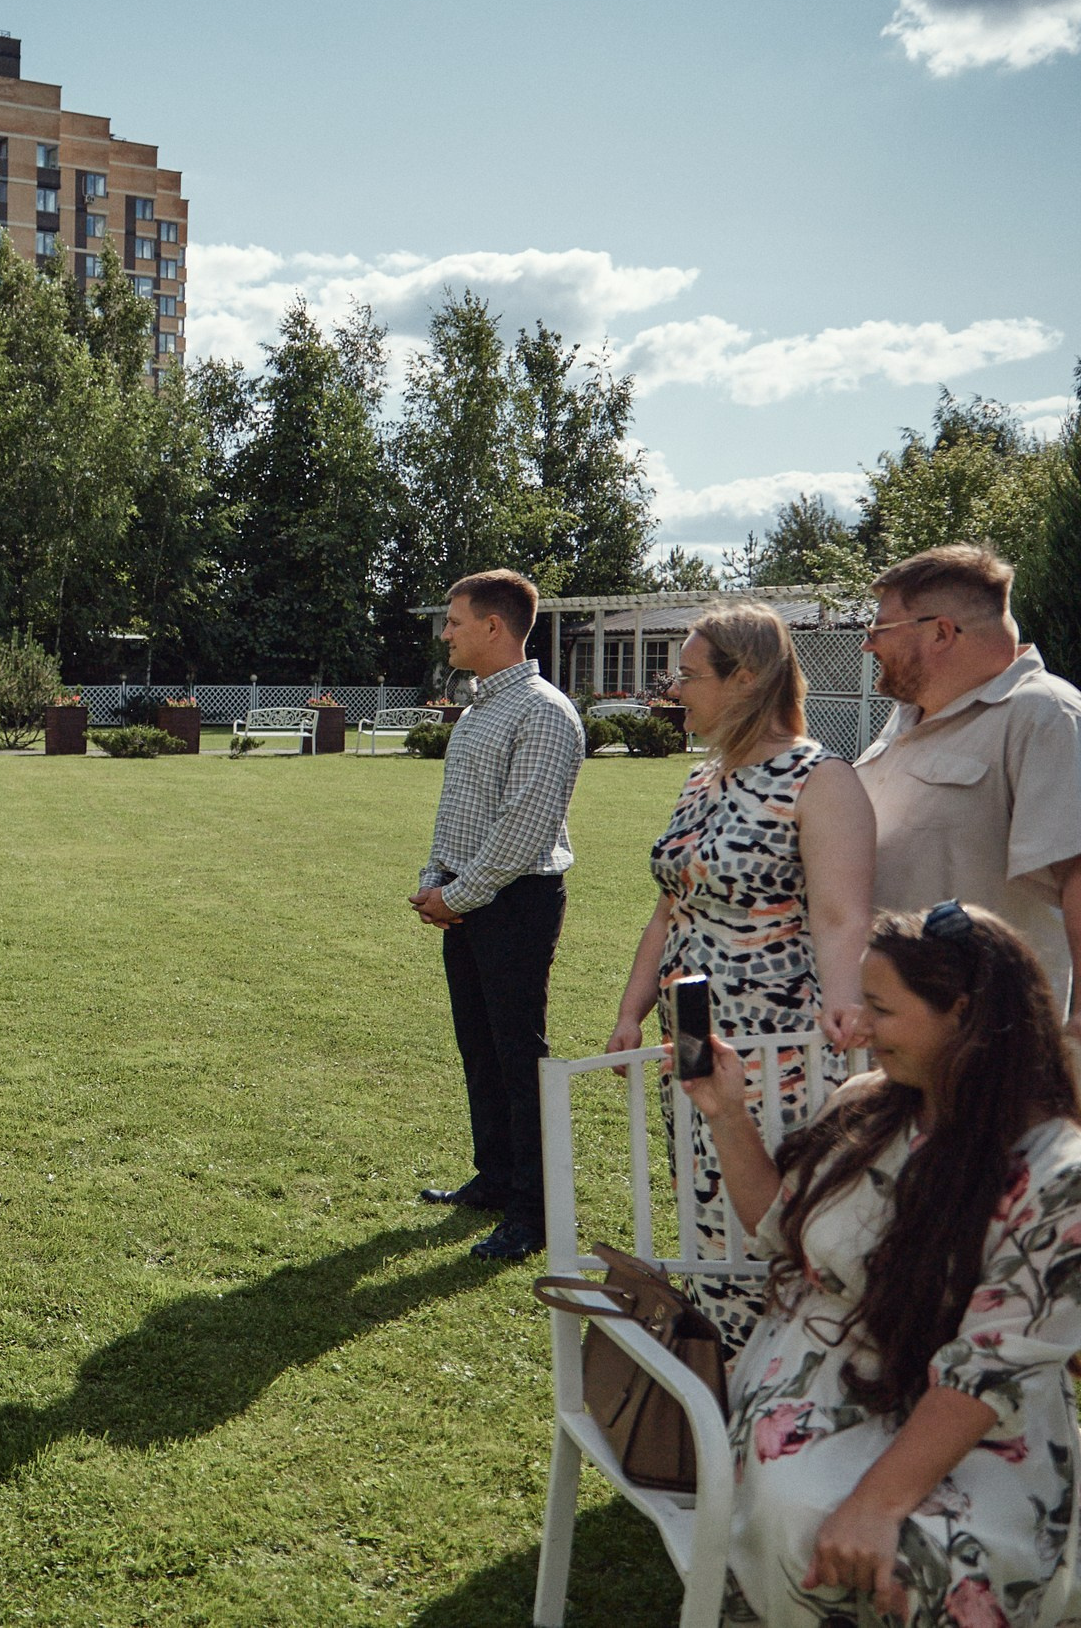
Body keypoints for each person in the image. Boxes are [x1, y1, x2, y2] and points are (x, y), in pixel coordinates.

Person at [677, 903, 1081, 1626]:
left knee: (935, 1564)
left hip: (976, 1422)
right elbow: (783, 1231)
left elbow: (988, 1370)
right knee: (805, 1520)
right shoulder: (871, 1106)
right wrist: (726, 1112)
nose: (858, 1028)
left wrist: (877, 1502)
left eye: (881, 1009)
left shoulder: (1056, 1175)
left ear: (963, 1014)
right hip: (819, 1374)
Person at [608, 601, 875, 1344]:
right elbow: (668, 910)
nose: (674, 690)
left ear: (746, 678)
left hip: (777, 1050)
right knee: (705, 1216)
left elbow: (842, 916)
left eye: (689, 675)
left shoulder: (820, 779)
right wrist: (630, 1013)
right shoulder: (701, 780)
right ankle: (723, 1373)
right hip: (695, 1041)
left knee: (766, 1225)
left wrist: (845, 1008)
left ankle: (779, 1375)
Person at [410, 570, 585, 1261]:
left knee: (518, 1055)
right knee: (479, 1046)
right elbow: (458, 810)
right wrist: (435, 879)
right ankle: (496, 1176)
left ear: (493, 626)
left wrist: (457, 895)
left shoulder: (543, 711)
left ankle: (533, 1213)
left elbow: (523, 827)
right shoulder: (482, 707)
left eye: (454, 621)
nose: (445, 634)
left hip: (515, 901)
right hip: (470, 897)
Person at [851, 544, 1081, 1032]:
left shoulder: (1045, 715)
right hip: (893, 1036)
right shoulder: (907, 717)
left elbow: (1077, 873)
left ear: (940, 632)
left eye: (879, 630)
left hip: (991, 1039)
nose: (868, 646)